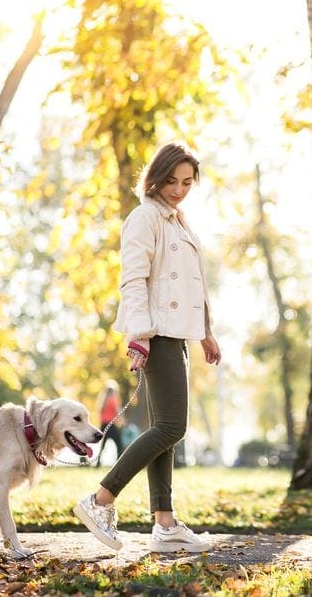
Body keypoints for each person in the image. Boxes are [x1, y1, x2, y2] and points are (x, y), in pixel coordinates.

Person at [74, 141, 221, 553]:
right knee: (173, 427)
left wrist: (206, 331)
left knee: (164, 430)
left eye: (187, 182)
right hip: (156, 333)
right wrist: (139, 333)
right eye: (172, 180)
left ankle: (165, 523)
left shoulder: (179, 221)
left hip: (178, 333)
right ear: (155, 176)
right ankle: (99, 500)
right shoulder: (144, 217)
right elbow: (133, 279)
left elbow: (195, 284)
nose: (178, 189)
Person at [98, 380, 125, 457]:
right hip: (111, 425)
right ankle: (119, 460)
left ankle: (97, 463)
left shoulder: (103, 401)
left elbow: (100, 413)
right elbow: (118, 412)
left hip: (103, 425)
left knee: (102, 445)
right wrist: (122, 421)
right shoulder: (114, 400)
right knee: (119, 444)